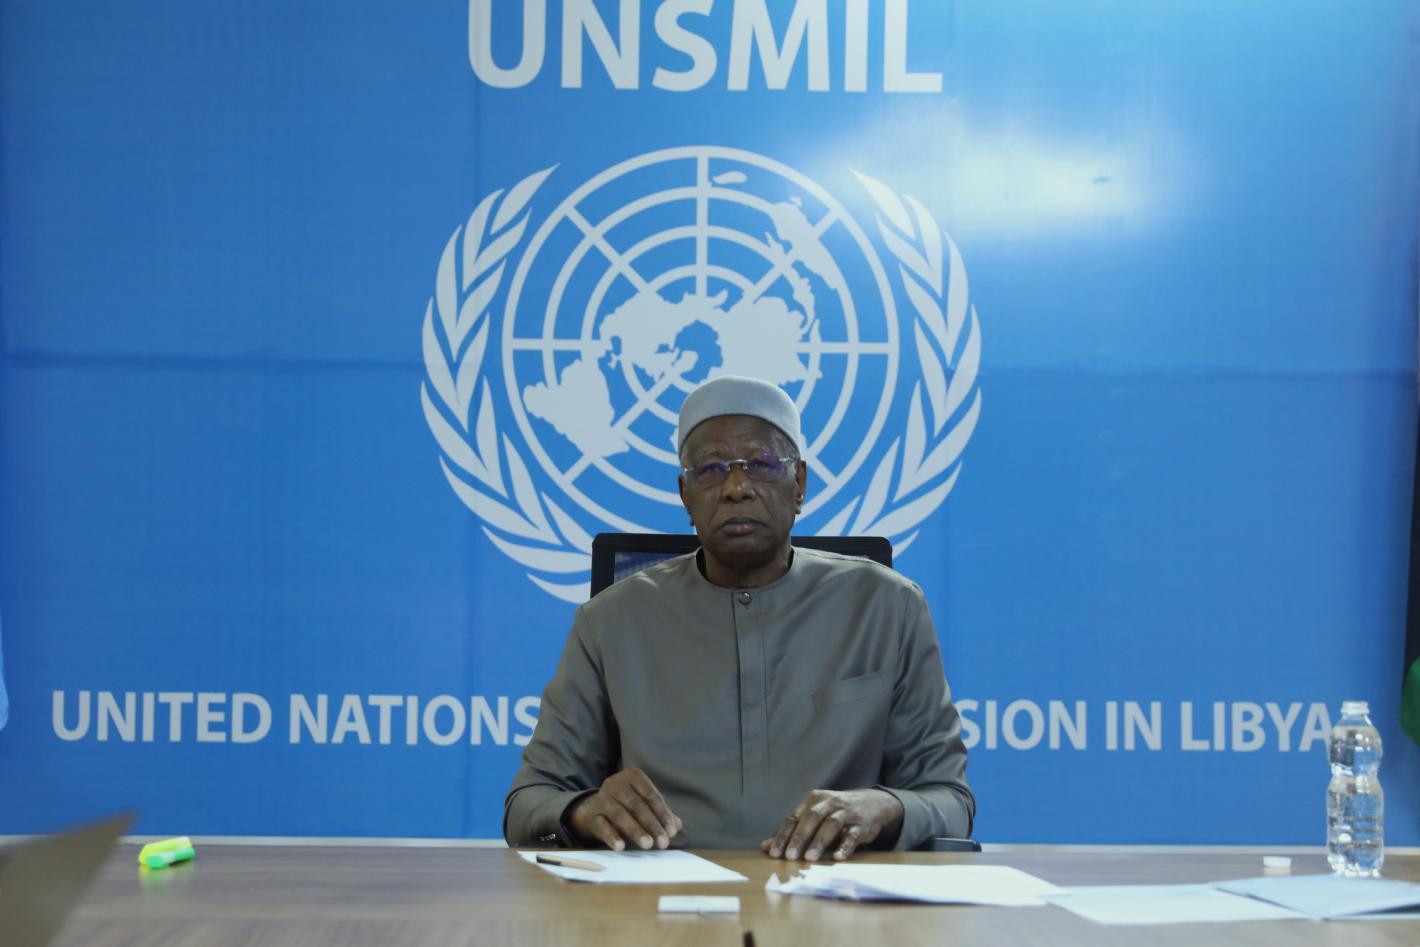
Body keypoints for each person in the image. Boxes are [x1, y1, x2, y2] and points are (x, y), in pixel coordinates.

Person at [504, 375, 973, 860]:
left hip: (832, 892)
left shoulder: (887, 606)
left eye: (763, 464)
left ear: (799, 485)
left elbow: (950, 802)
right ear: (686, 495)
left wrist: (885, 807)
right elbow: (528, 804)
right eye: (711, 469)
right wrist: (583, 811)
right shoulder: (610, 621)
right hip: (659, 895)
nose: (736, 488)